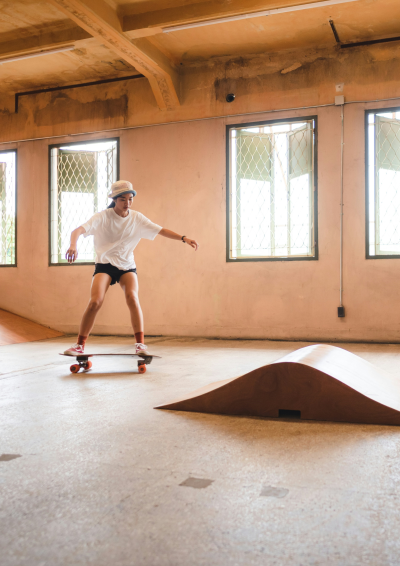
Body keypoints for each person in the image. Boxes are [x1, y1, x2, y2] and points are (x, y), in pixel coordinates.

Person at [63, 180, 199, 356]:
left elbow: (161, 230)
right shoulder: (102, 217)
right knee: (95, 302)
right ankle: (79, 345)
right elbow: (78, 230)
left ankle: (140, 345)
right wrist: (73, 245)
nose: (127, 203)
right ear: (114, 199)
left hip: (127, 266)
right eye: (122, 200)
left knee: (132, 298)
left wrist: (184, 238)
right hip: (104, 265)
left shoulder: (136, 218)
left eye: (130, 199)